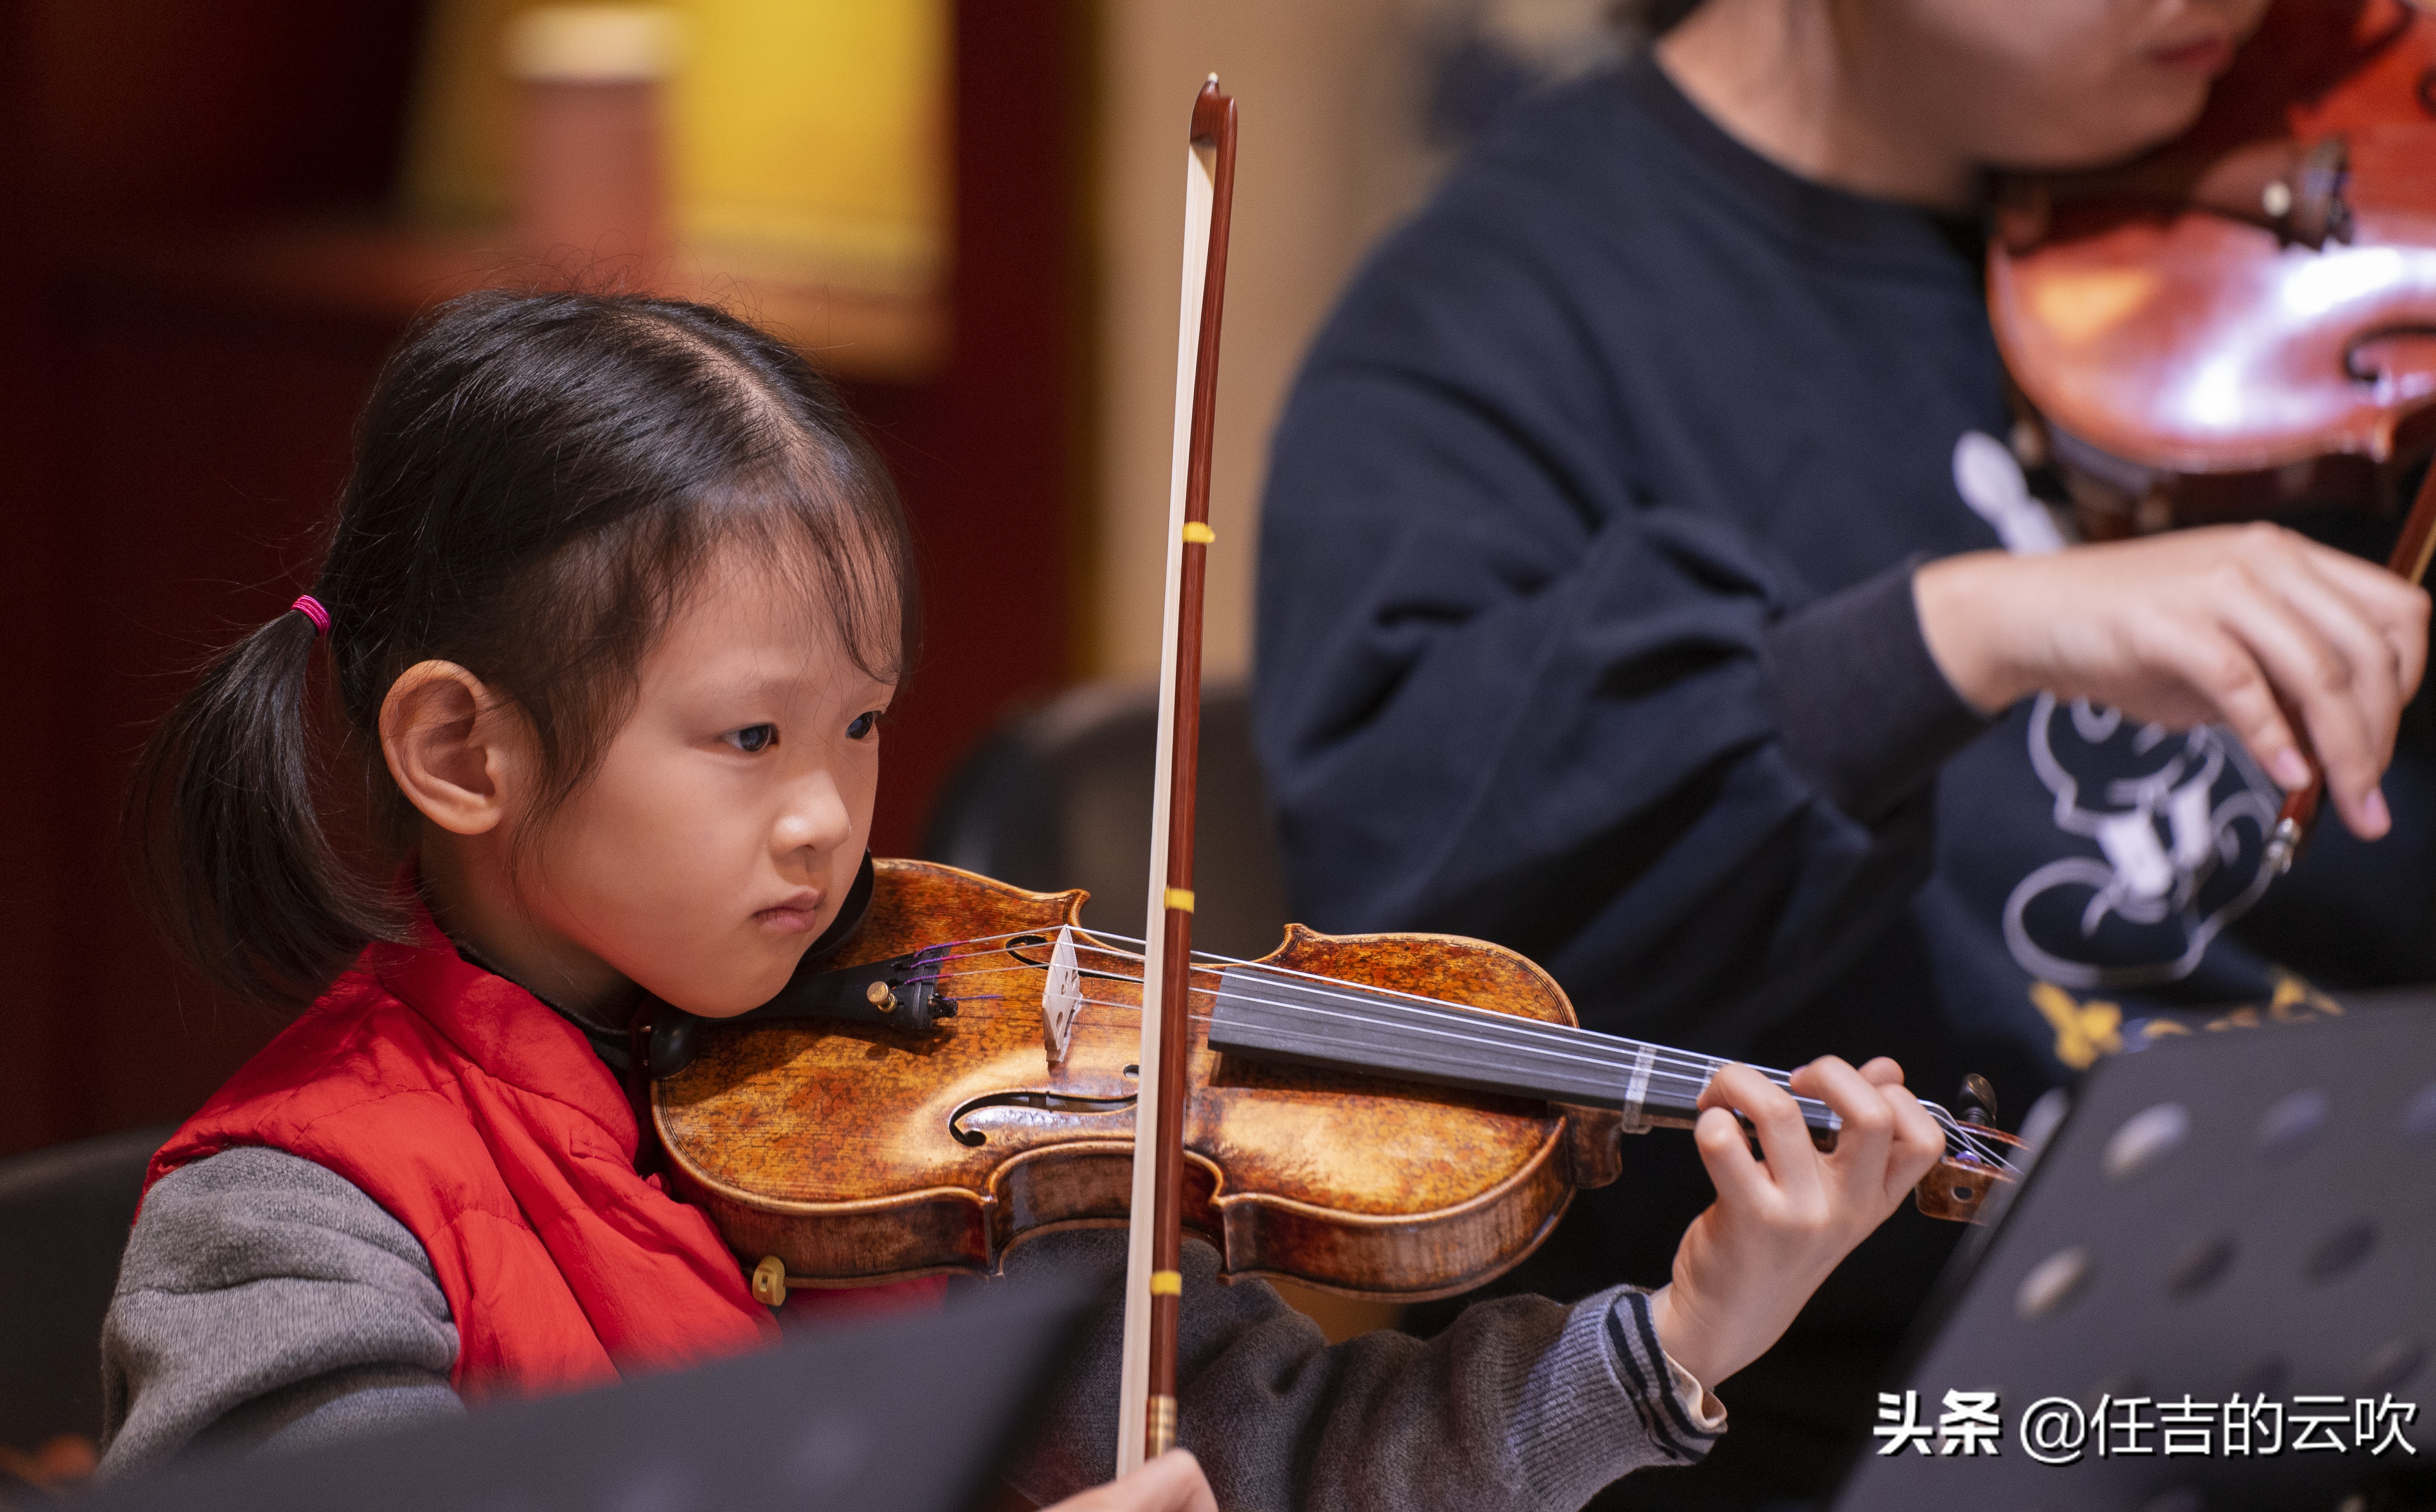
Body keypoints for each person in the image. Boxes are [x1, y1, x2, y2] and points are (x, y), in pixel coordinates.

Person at [100, 289, 1949, 1511]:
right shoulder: (302, 1221)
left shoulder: (934, 1116)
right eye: (746, 738)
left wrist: (1680, 1336)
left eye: (861, 724)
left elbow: (1297, 1465)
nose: (827, 818)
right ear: (461, 749)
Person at [1254, 0, 2436, 1503]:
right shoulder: (1490, 323)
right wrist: (1954, 633)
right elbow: (1430, 944)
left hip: (2362, 1360)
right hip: (1841, 1429)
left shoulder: (2326, 235)